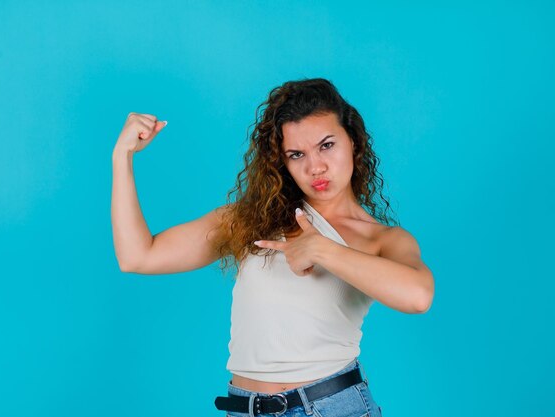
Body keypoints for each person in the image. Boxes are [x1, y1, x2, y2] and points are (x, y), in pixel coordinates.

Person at [111, 78, 434, 417]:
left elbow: (418, 296)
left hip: (329, 408)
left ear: (353, 141)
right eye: (297, 154)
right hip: (244, 408)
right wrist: (122, 157)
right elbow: (137, 256)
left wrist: (322, 250)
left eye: (327, 145)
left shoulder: (382, 239)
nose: (315, 167)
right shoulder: (253, 220)